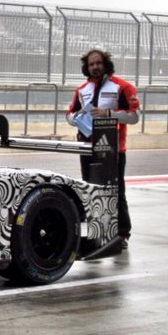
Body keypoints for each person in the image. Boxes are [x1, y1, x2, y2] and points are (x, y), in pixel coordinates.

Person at [67, 48, 140, 249]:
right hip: (88, 148)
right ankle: (94, 233)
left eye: (98, 63)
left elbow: (134, 116)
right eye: (91, 64)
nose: (95, 67)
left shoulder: (122, 86)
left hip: (114, 149)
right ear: (86, 67)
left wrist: (108, 113)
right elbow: (68, 116)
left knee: (116, 192)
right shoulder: (81, 90)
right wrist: (77, 116)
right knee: (90, 191)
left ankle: (122, 234)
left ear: (105, 64)